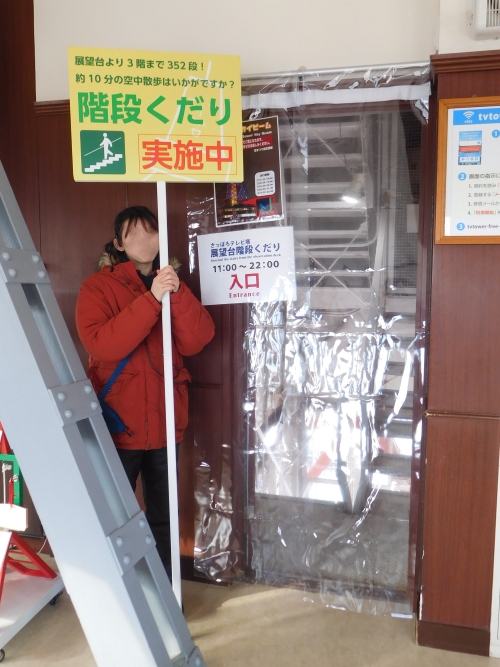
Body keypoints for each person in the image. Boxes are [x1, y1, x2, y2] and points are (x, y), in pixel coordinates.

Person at [76, 205, 215, 579]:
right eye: (132, 233)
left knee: (165, 516)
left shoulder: (170, 281)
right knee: (114, 516)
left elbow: (199, 338)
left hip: (167, 422)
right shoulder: (97, 287)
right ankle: (117, 590)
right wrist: (152, 298)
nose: (143, 239)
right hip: (119, 425)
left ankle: (167, 593)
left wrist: (176, 291)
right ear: (118, 244)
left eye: (150, 231)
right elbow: (104, 344)